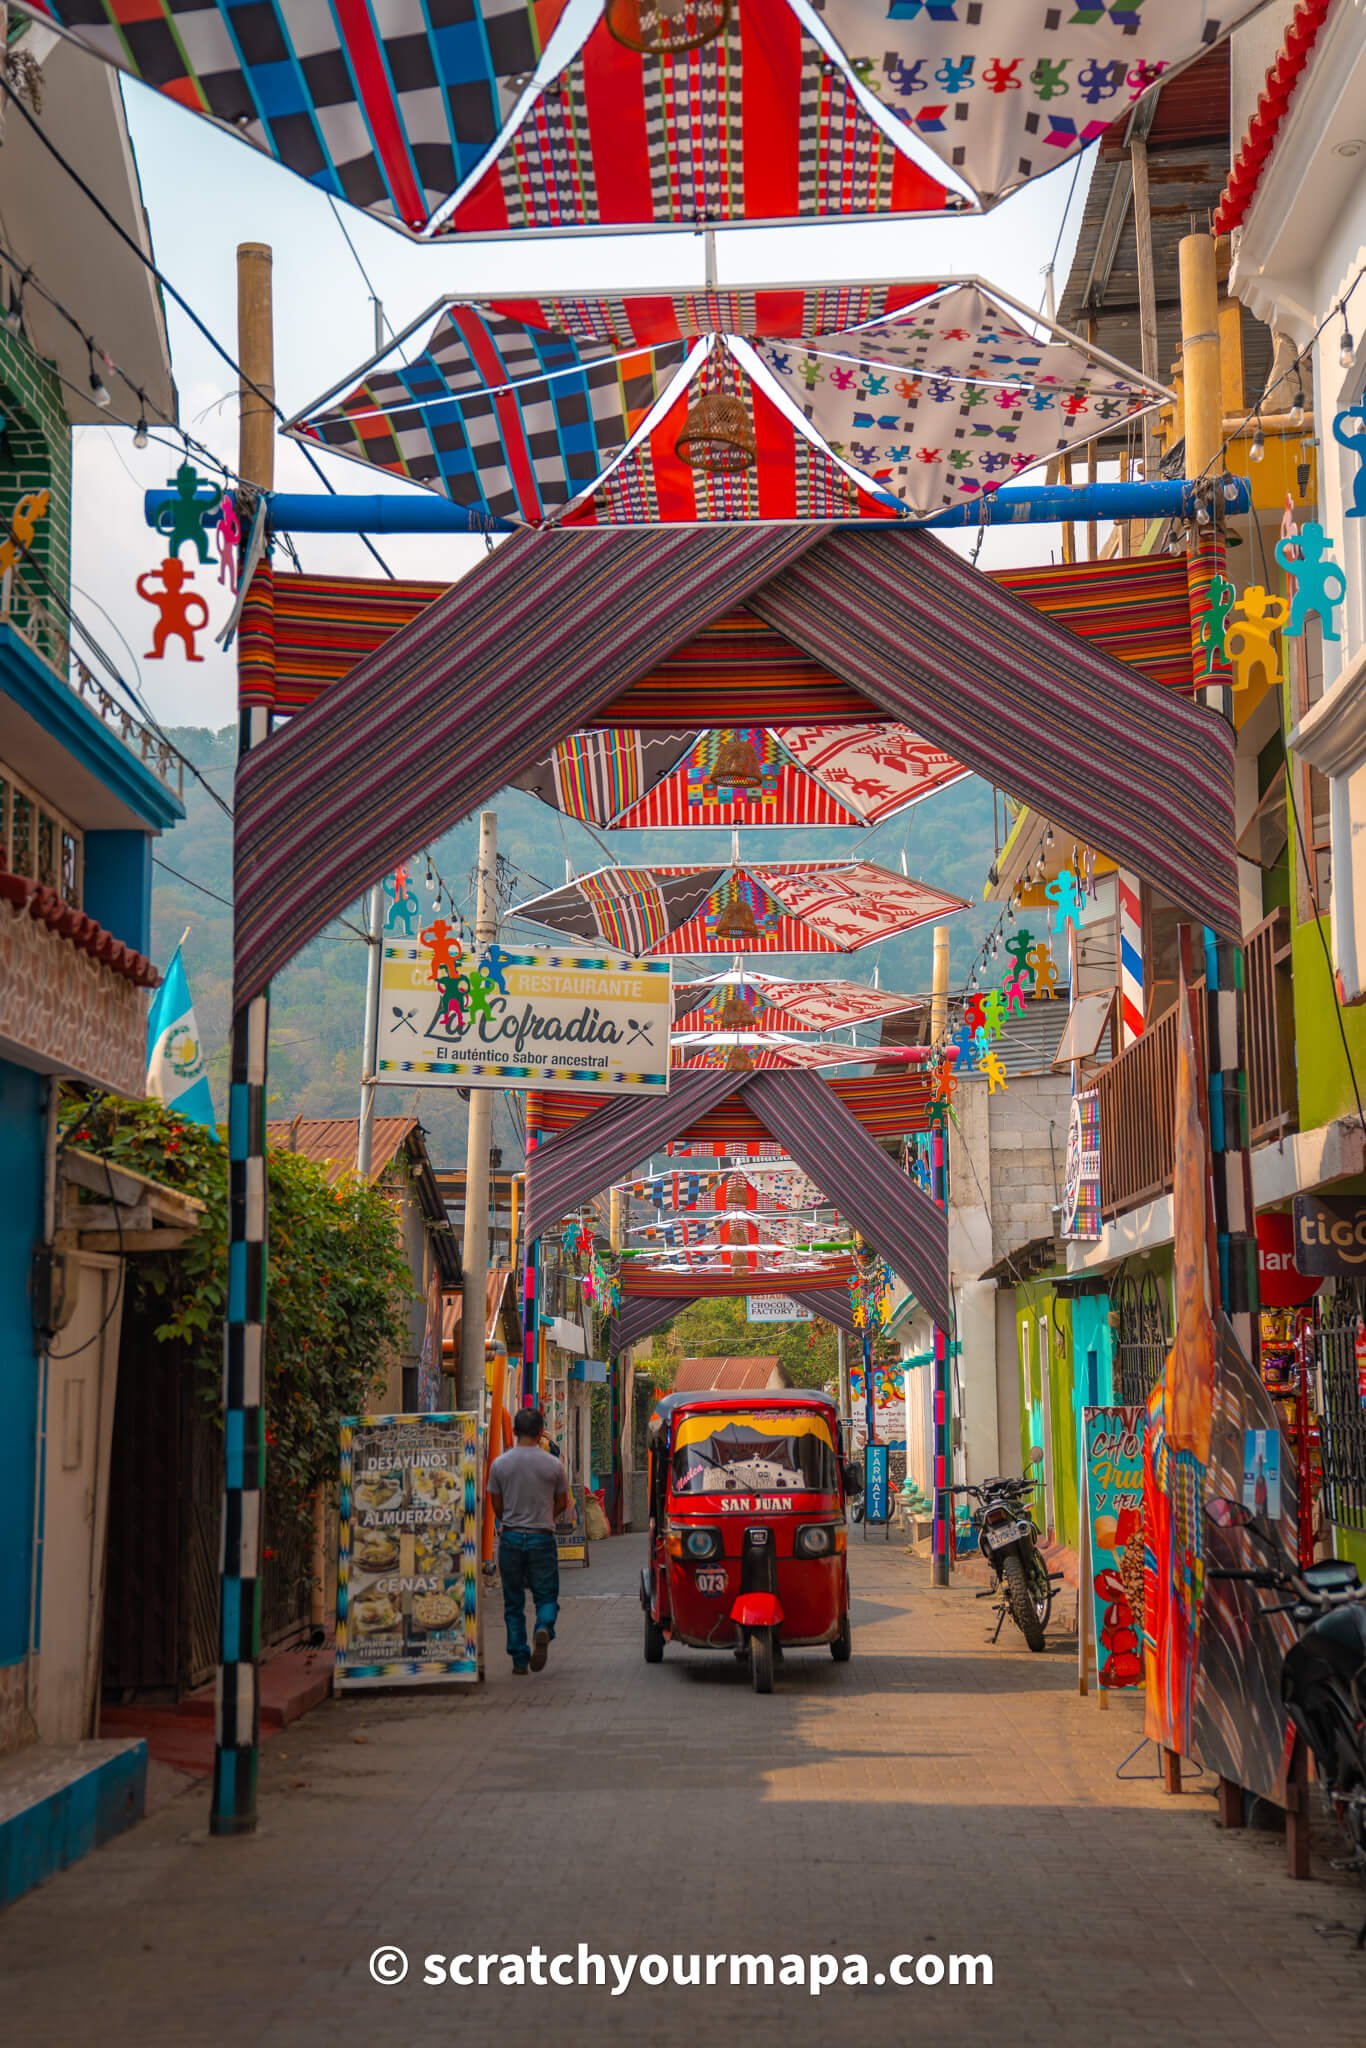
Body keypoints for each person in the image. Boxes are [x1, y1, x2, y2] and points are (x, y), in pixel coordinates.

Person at [487, 1407, 569, 1675]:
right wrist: (546, 1516)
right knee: (546, 1596)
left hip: (510, 1538)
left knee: (513, 1602)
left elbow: (496, 1504)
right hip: (541, 1538)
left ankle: (519, 1659)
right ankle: (543, 1626)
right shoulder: (553, 1465)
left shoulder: (500, 1464)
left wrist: (510, 1519)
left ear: (515, 1431)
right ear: (539, 1432)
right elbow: (562, 1502)